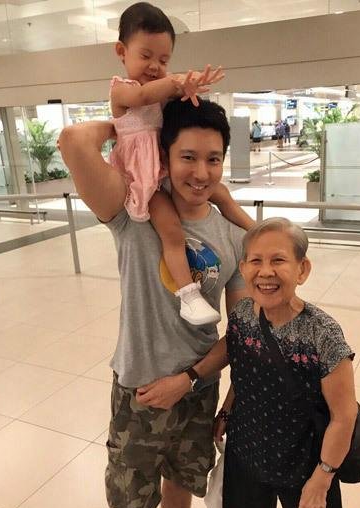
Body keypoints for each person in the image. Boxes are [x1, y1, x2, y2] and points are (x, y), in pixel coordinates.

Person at [59, 98, 249, 508]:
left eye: (213, 159)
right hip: (139, 391)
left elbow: (242, 331)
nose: (201, 172)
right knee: (131, 507)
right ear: (165, 155)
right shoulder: (132, 213)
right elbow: (73, 140)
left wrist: (191, 380)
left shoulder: (233, 236)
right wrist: (135, 124)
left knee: (182, 483)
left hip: (199, 391)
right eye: (188, 157)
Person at [109, 2, 252, 326]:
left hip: (163, 170)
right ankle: (189, 295)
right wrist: (177, 82)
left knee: (222, 194)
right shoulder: (122, 90)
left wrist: (187, 88)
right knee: (172, 231)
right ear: (121, 51)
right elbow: (143, 97)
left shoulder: (163, 95)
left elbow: (183, 112)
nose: (154, 66)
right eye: (146, 56)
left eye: (163, 60)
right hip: (144, 181)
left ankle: (259, 231)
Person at [215, 217, 358, 508]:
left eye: (278, 260)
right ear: (243, 268)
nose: (265, 272)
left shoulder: (322, 334)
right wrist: (226, 411)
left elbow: (344, 416)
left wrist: (323, 478)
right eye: (256, 261)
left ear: (302, 269)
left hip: (304, 462)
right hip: (246, 453)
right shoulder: (241, 315)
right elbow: (245, 372)